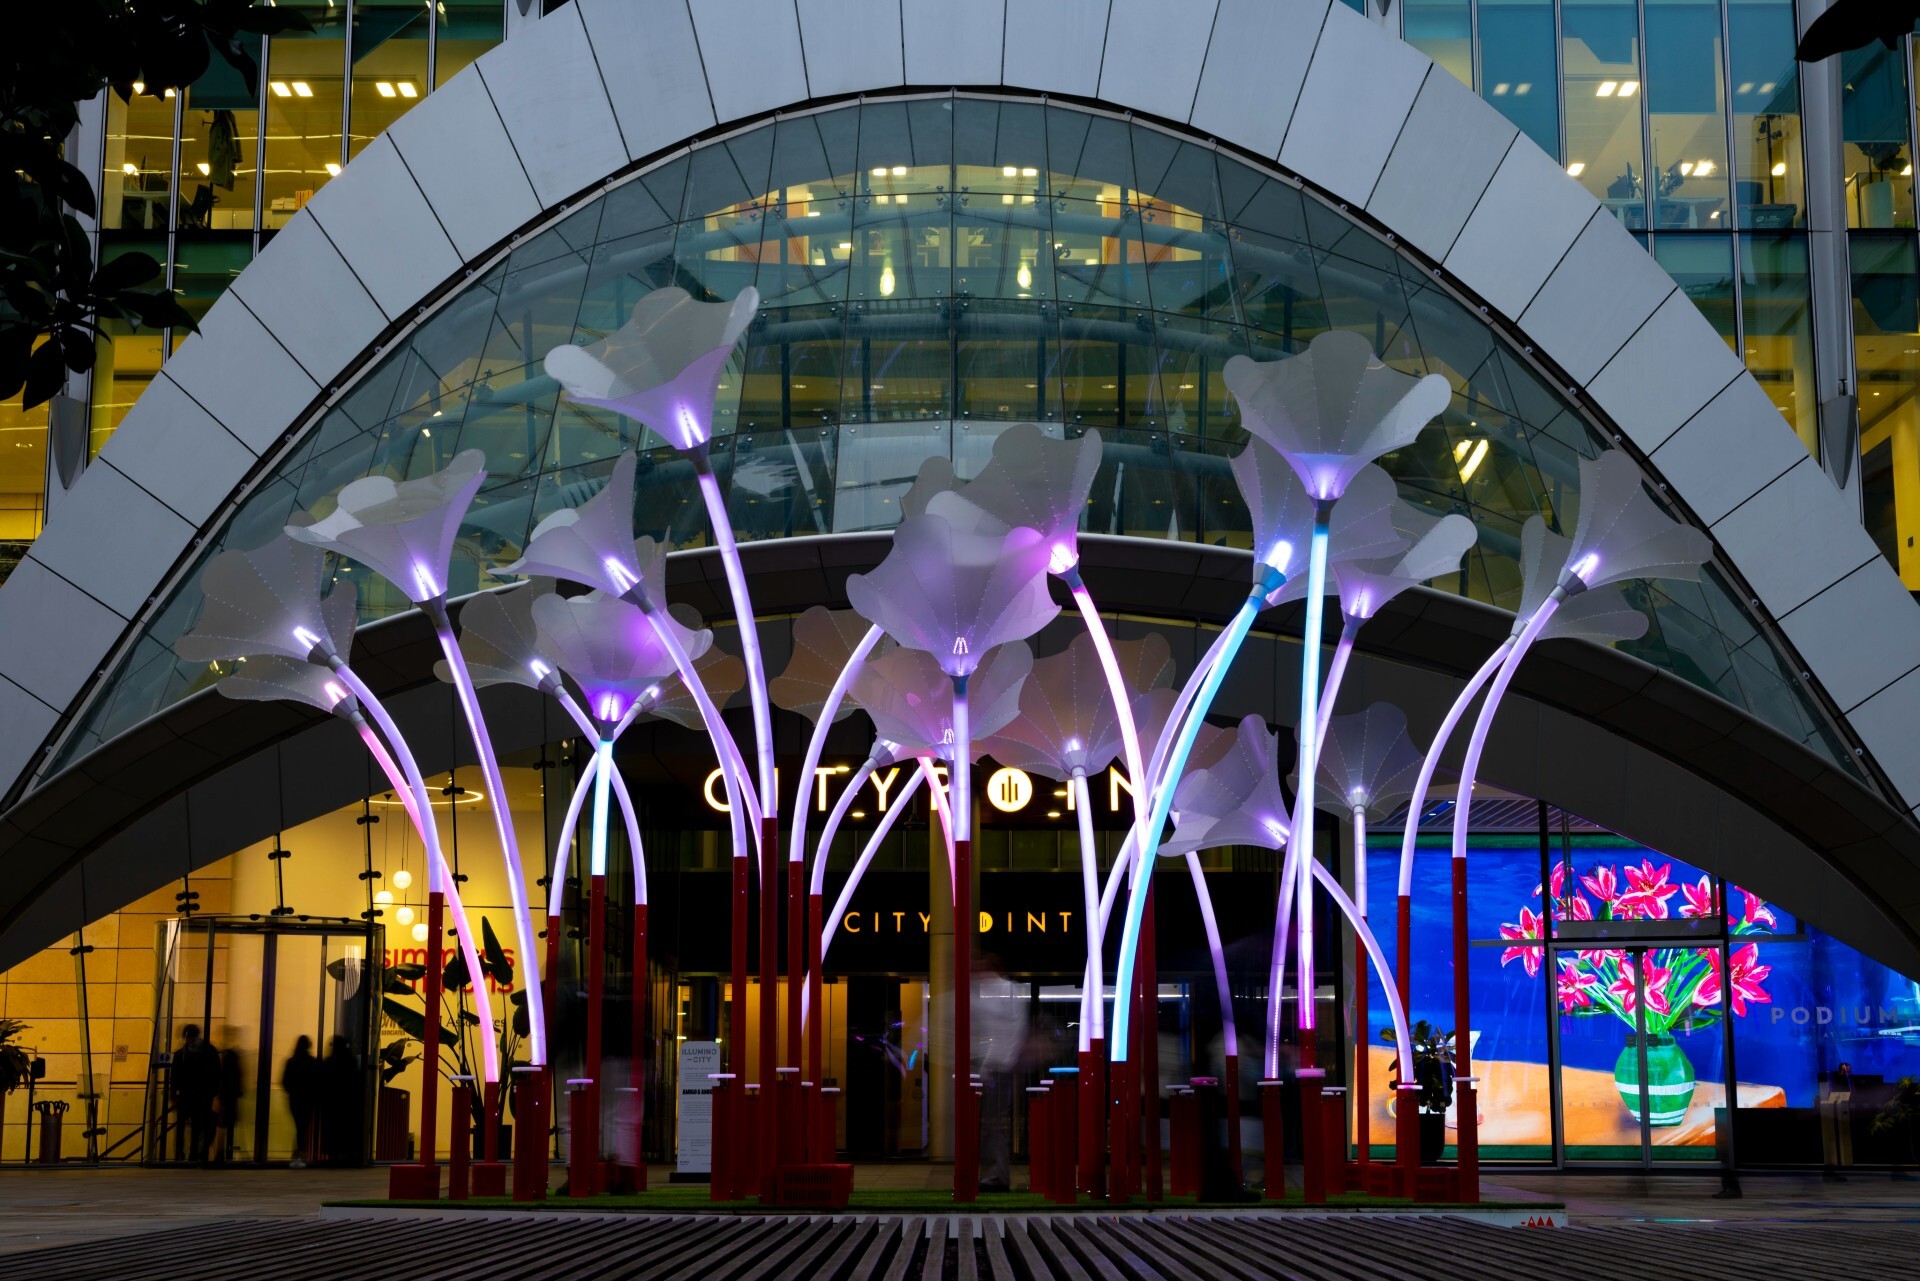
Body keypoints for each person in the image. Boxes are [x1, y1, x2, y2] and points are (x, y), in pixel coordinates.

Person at [170, 1024, 220, 1165]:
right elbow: (216, 1074)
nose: (188, 1040)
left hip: (191, 1096)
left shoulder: (182, 1054)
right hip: (198, 1096)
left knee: (189, 1127)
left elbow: (174, 1077)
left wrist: (174, 1095)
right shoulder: (208, 1051)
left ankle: (185, 1154)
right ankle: (191, 1154)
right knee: (196, 1127)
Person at [320, 1036, 364, 1166]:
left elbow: (324, 1082)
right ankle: (348, 1155)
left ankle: (333, 1155)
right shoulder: (351, 1061)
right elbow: (355, 1081)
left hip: (332, 1102)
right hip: (348, 1102)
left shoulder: (329, 1061)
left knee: (332, 1129)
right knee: (347, 1128)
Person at [283, 1036, 319, 1168]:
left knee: (299, 1127)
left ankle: (298, 1154)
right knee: (302, 1128)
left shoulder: (291, 1062)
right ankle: (299, 1154)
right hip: (308, 1100)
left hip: (295, 1100)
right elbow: (316, 1082)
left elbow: (285, 1082)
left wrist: (293, 1092)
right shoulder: (312, 1062)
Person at [216, 1033, 242, 1162]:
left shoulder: (226, 1055)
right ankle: (228, 1151)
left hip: (225, 1095)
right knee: (229, 1125)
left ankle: (221, 1152)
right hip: (231, 1095)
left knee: (222, 1125)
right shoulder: (233, 1055)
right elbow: (237, 1076)